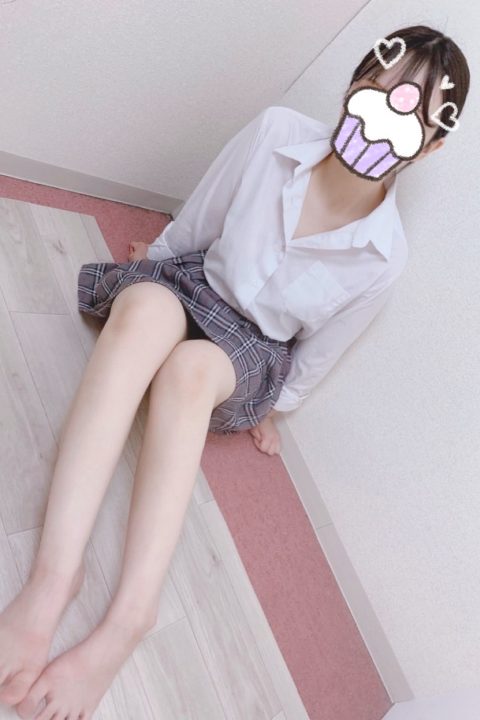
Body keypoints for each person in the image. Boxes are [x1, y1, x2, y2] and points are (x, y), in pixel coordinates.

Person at [0, 24, 470, 720]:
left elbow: (320, 349)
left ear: (430, 144)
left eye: (414, 115)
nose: (384, 118)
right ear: (355, 85)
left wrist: (282, 406)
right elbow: (202, 217)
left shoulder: (383, 255)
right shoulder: (277, 133)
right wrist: (154, 264)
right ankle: (51, 582)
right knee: (144, 313)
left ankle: (129, 618)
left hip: (250, 350)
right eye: (379, 91)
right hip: (199, 282)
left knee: (189, 371)